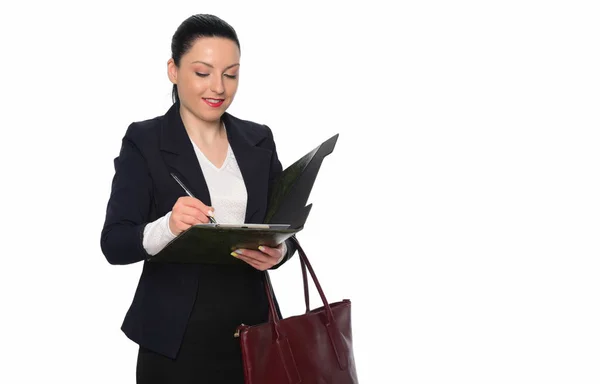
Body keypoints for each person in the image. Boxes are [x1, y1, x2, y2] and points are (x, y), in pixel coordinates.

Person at [100, 14, 297, 383]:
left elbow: (285, 229)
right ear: (174, 70)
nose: (218, 87)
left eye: (231, 73)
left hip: (254, 336)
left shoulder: (259, 141)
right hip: (175, 345)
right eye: (203, 72)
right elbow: (114, 243)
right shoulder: (144, 142)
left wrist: (279, 252)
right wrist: (168, 226)